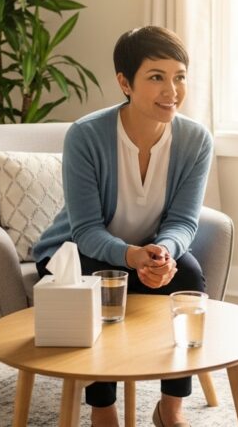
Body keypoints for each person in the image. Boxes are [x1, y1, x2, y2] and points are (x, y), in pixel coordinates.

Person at [33, 26, 212, 427]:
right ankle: (103, 410)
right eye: (156, 77)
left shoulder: (196, 140)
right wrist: (131, 256)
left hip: (147, 250)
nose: (172, 90)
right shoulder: (86, 136)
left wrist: (164, 253)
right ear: (124, 83)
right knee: (101, 280)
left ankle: (171, 409)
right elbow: (85, 229)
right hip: (76, 253)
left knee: (188, 276)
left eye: (180, 77)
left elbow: (184, 220)